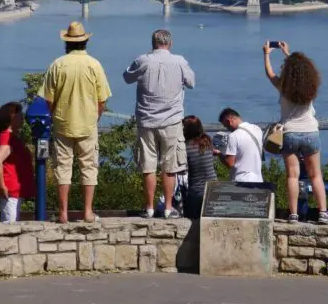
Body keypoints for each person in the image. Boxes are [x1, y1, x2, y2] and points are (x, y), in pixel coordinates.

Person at [40, 21, 111, 224]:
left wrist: (56, 116)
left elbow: (48, 99)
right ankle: (87, 212)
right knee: (89, 167)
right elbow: (102, 99)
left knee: (63, 168)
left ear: (66, 43)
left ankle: (63, 213)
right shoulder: (94, 65)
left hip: (63, 123)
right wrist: (94, 117)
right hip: (87, 124)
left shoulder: (57, 65)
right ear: (85, 41)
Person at [124, 29, 195, 219]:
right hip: (172, 121)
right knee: (170, 167)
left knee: (148, 165)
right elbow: (191, 82)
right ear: (170, 44)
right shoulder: (180, 61)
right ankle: (168, 208)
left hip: (146, 120)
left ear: (153, 43)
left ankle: (148, 207)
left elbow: (127, 77)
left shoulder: (143, 60)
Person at [263, 41, 328, 224]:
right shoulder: (311, 88)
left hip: (290, 133)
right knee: (316, 175)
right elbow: (300, 69)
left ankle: (293, 214)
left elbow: (270, 74)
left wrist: (266, 54)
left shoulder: (283, 86)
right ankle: (323, 212)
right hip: (311, 132)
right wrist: (288, 53)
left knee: (293, 175)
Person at [0, 102, 36, 223]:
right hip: (10, 190)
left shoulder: (14, 137)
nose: (22, 117)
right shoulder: (7, 137)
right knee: (10, 225)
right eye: (18, 114)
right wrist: (2, 186)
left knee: (13, 222)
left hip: (16, 190)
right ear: (10, 117)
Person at [182, 115, 217, 219]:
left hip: (196, 190)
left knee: (190, 219)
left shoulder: (186, 147)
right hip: (213, 186)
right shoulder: (207, 141)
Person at [218, 108, 263, 183]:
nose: (228, 129)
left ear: (229, 121)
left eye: (226, 126)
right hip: (258, 179)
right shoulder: (257, 129)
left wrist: (219, 154)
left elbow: (230, 163)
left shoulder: (233, 136)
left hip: (241, 181)